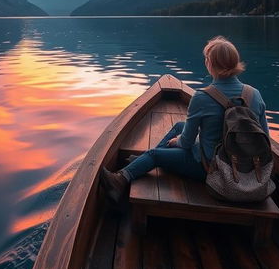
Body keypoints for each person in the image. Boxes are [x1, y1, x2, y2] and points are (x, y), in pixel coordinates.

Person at [100, 35, 269, 206]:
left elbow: (187, 143)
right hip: (248, 167)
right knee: (180, 126)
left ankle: (122, 179)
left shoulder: (203, 97)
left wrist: (176, 142)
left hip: (213, 170)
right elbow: (265, 138)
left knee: (155, 154)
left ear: (210, 64)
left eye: (207, 59)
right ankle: (142, 162)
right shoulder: (254, 94)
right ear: (235, 62)